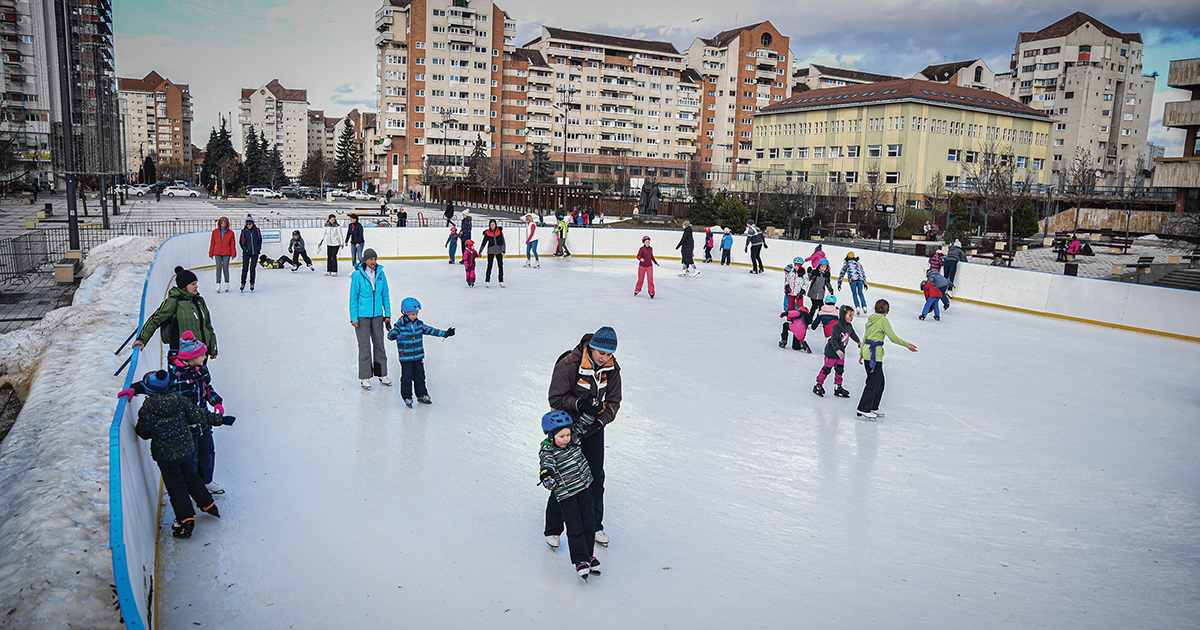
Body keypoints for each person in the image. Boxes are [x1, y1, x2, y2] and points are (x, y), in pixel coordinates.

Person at [133, 370, 233, 538]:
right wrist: (221, 419)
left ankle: (185, 521)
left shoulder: (147, 409)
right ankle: (208, 504)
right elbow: (199, 414)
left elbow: (142, 432)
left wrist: (154, 431)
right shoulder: (180, 400)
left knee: (176, 487)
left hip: (166, 456)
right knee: (192, 477)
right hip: (185, 450)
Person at [547, 327, 622, 548]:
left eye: (609, 354)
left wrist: (599, 422)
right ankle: (553, 529)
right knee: (565, 476)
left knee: (595, 477)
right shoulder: (570, 364)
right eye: (602, 353)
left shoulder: (612, 369)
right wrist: (580, 404)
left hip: (593, 429)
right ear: (592, 347)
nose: (605, 358)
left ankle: (596, 525)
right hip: (567, 430)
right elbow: (556, 398)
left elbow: (614, 402)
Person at [538, 410, 600, 580]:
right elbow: (547, 464)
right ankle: (580, 560)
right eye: (561, 436)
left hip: (584, 487)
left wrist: (591, 407)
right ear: (551, 437)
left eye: (567, 435)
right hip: (566, 494)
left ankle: (589, 555)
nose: (566, 439)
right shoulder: (548, 450)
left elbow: (583, 424)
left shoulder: (572, 439)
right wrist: (546, 475)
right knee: (575, 526)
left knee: (589, 523)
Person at [169, 331, 226, 495]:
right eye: (202, 355)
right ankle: (193, 486)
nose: (205, 357)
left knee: (208, 452)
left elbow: (207, 388)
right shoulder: (176, 376)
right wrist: (135, 389)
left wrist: (216, 401)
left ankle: (206, 481)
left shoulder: (202, 370)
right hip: (187, 427)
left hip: (203, 423)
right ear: (191, 357)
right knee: (191, 458)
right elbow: (161, 390)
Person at [133, 266, 218, 358]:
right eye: (193, 284)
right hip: (182, 355)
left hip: (202, 353)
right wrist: (142, 339)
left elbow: (207, 326)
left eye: (196, 283)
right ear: (184, 287)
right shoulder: (173, 302)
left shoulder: (199, 301)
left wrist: (212, 348)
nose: (196, 286)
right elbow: (155, 320)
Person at [386, 297, 455, 408]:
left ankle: (422, 394)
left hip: (418, 356)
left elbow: (431, 330)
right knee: (407, 377)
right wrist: (395, 335)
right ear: (404, 312)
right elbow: (390, 334)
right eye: (412, 314)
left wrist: (445, 333)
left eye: (416, 313)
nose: (415, 316)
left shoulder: (419, 324)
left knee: (420, 376)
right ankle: (407, 396)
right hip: (406, 357)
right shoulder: (400, 325)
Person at [857, 299, 917, 420]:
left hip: (868, 352)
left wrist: (862, 353)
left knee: (880, 382)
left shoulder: (871, 319)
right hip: (874, 355)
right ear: (887, 311)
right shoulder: (883, 320)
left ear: (875, 309)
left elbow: (865, 337)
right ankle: (863, 408)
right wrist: (908, 345)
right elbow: (892, 337)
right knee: (873, 383)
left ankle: (873, 406)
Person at [349, 248, 391, 390]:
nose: (373, 261)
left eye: (375, 259)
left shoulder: (380, 273)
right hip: (362, 317)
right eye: (370, 259)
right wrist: (354, 317)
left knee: (379, 344)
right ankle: (365, 376)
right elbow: (353, 298)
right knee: (364, 346)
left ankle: (382, 373)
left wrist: (388, 314)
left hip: (377, 315)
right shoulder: (357, 275)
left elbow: (385, 294)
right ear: (365, 260)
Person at [814, 305, 860, 398]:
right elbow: (834, 339)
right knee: (827, 369)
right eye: (849, 315)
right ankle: (818, 384)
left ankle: (838, 387)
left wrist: (858, 342)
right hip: (832, 352)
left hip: (841, 353)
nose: (851, 318)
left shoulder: (849, 326)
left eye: (852, 315)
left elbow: (853, 334)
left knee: (840, 370)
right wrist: (837, 350)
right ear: (843, 315)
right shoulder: (837, 326)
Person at [208, 217, 236, 293]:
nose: (223, 225)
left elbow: (232, 244)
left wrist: (233, 253)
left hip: (227, 252)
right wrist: (211, 253)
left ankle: (227, 283)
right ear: (219, 224)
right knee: (218, 267)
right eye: (222, 224)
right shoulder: (215, 232)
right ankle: (218, 283)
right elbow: (212, 242)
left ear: (227, 224)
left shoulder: (230, 233)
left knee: (225, 268)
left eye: (224, 224)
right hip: (217, 252)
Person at [479, 219, 506, 288]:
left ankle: (501, 281)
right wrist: (480, 251)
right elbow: (483, 243)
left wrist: (503, 250)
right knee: (489, 266)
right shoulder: (487, 233)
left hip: (499, 251)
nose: (492, 226)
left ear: (495, 224)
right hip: (491, 251)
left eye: (493, 224)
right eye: (491, 224)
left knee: (500, 266)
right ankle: (487, 280)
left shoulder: (499, 232)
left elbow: (503, 242)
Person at [239, 216, 262, 292]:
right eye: (247, 224)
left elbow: (260, 240)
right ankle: (243, 283)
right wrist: (245, 249)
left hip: (255, 252)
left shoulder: (257, 231)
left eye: (250, 224)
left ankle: (252, 283)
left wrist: (258, 249)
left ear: (253, 224)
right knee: (245, 269)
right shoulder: (244, 231)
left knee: (252, 269)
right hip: (246, 253)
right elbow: (241, 242)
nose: (249, 225)